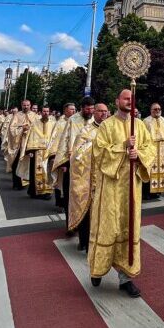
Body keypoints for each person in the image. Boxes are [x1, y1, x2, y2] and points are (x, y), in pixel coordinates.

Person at [88, 89, 154, 298]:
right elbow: (99, 152)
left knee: (129, 228)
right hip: (110, 188)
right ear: (117, 101)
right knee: (108, 227)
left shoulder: (141, 126)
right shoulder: (107, 125)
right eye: (126, 98)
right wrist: (123, 147)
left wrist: (139, 154)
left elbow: (149, 149)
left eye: (132, 98)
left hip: (131, 188)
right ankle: (97, 268)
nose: (129, 101)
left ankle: (126, 278)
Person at [66, 101, 104, 252]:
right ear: (95, 113)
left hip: (103, 177)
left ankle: (98, 244)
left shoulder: (109, 130)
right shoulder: (85, 131)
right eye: (100, 111)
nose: (104, 114)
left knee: (101, 213)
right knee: (86, 211)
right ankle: (84, 242)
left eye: (105, 111)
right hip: (87, 178)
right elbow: (77, 153)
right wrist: (95, 147)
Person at [17, 104, 54, 199]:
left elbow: (55, 137)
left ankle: (47, 191)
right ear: (41, 112)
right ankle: (36, 192)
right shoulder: (35, 123)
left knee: (48, 172)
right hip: (36, 152)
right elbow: (31, 137)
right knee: (36, 173)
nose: (46, 113)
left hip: (48, 152)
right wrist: (30, 151)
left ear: (49, 113)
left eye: (47, 111)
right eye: (44, 111)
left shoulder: (53, 124)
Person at [142, 103, 164, 199]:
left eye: (159, 109)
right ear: (151, 110)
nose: (157, 110)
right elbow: (143, 136)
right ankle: (147, 193)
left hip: (162, 149)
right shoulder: (146, 121)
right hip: (151, 148)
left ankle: (158, 192)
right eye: (155, 109)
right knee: (150, 170)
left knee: (162, 170)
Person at [53, 103, 77, 208]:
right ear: (65, 111)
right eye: (71, 109)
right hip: (63, 159)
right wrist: (60, 161)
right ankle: (60, 203)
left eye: (74, 109)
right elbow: (55, 141)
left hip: (76, 158)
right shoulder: (59, 124)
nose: (74, 111)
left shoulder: (77, 121)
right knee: (60, 181)